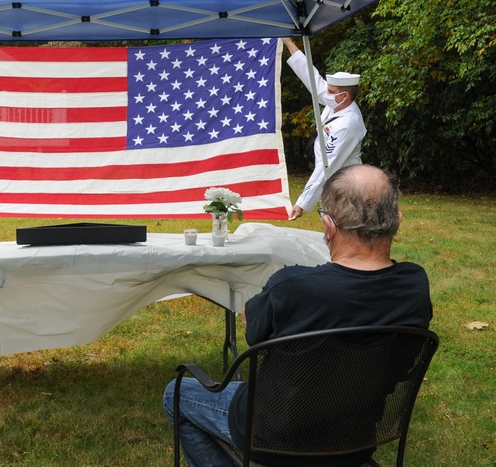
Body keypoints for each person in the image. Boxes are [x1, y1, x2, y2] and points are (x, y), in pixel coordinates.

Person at [163, 164, 432, 467]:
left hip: (274, 435)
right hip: (357, 435)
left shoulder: (294, 287)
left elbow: (254, 335)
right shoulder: (414, 287)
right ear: (397, 221)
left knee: (177, 392)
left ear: (329, 227)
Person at [282, 38, 366, 219]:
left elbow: (326, 166)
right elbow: (312, 78)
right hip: (332, 184)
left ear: (344, 95)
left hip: (346, 188)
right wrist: (288, 42)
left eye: (331, 91)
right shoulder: (336, 102)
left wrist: (302, 203)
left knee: (344, 234)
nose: (325, 93)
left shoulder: (348, 124)